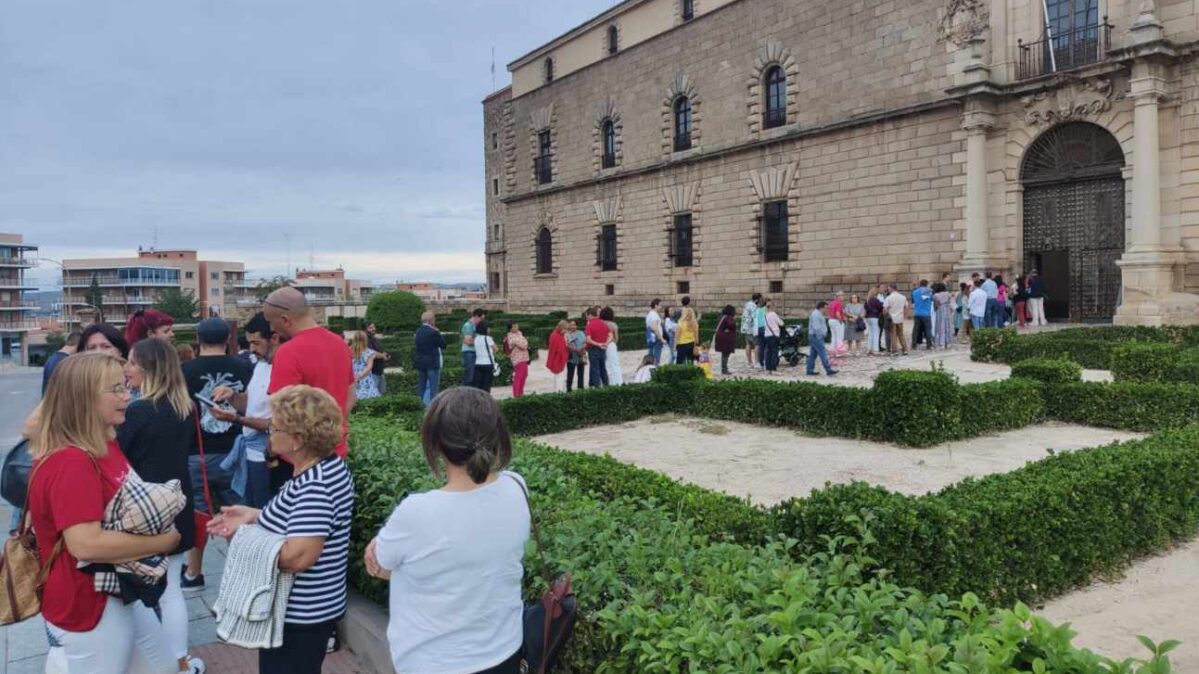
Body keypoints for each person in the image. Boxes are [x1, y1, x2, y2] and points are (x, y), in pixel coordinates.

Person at [29, 353, 181, 674]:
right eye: (114, 389)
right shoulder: (71, 461)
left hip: (115, 588)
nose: (127, 395)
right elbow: (86, 544)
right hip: (87, 602)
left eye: (125, 385)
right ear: (82, 398)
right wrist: (162, 542)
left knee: (162, 666)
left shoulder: (102, 443)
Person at [363, 387, 529, 674]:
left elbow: (380, 566)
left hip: (436, 662)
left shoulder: (417, 512)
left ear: (436, 443)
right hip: (505, 651)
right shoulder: (516, 486)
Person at [207, 385, 355, 674]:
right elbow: (301, 522)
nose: (269, 431)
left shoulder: (315, 485)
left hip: (300, 615)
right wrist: (254, 516)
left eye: (275, 427)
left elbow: (298, 556)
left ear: (298, 439)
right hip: (307, 611)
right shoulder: (323, 468)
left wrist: (244, 538)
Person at [118, 338, 206, 674]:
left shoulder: (138, 411)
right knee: (171, 591)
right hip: (177, 502)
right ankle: (180, 661)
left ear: (148, 368)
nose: (126, 369)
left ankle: (150, 663)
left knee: (139, 593)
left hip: (140, 508)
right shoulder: (184, 406)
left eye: (131, 363)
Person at [181, 317, 251, 591]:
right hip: (236, 451)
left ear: (198, 339)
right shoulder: (245, 367)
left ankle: (193, 574)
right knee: (238, 512)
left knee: (198, 512)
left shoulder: (184, 370)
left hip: (195, 453)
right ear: (228, 340)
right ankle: (242, 574)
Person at [262, 288, 356, 458]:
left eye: (270, 322)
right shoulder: (339, 343)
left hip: (300, 457)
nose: (271, 328)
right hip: (336, 450)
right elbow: (351, 396)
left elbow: (282, 413)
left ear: (285, 319)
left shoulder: (288, 352)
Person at [209, 312, 280, 509]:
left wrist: (237, 420)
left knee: (263, 513)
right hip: (251, 453)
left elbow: (276, 424)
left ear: (273, 338)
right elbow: (249, 404)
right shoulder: (260, 366)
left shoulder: (281, 367)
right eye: (250, 343)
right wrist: (231, 395)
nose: (252, 349)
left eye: (256, 343)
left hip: (268, 454)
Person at [413, 312, 446, 406]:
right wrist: (438, 332)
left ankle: (419, 406)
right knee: (433, 388)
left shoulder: (418, 331)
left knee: (422, 386)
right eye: (434, 319)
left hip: (421, 362)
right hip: (432, 362)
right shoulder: (433, 332)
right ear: (430, 320)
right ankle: (431, 408)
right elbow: (443, 345)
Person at [806, 301, 837, 376]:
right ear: (821, 307)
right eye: (826, 308)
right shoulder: (816, 315)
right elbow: (816, 327)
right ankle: (828, 369)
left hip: (814, 336)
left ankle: (809, 370)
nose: (827, 310)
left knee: (813, 355)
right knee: (823, 353)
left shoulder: (818, 314)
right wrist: (822, 334)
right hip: (816, 336)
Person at [350, 332, 381, 401]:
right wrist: (360, 376)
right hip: (365, 378)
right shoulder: (368, 352)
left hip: (352, 377)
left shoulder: (349, 350)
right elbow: (369, 367)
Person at [584, 307, 611, 388]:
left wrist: (598, 344)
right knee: (603, 369)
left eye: (587, 316)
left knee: (595, 370)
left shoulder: (589, 325)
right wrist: (606, 343)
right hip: (603, 349)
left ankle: (597, 389)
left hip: (593, 349)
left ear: (591, 315)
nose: (586, 318)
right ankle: (606, 386)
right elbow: (610, 335)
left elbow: (588, 340)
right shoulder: (603, 323)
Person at [460, 309, 486, 386]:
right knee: (469, 376)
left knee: (474, 376)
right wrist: (480, 341)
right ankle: (463, 393)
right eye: (481, 318)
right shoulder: (468, 326)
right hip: (469, 352)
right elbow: (468, 342)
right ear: (476, 316)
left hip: (473, 352)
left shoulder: (474, 326)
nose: (482, 321)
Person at [504, 321, 531, 397]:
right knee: (518, 376)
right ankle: (516, 395)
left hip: (524, 357)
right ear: (510, 329)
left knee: (524, 375)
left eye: (517, 326)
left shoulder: (519, 333)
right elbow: (524, 345)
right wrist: (524, 342)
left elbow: (525, 343)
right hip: (517, 359)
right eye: (514, 326)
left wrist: (524, 342)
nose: (517, 328)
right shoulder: (510, 336)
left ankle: (521, 393)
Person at [472, 321, 499, 392]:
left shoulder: (476, 338)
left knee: (479, 385)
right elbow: (496, 349)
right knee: (486, 386)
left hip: (478, 363)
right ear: (485, 329)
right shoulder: (488, 338)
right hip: (488, 363)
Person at [364, 322, 390, 394]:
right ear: (365, 329)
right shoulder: (366, 339)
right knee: (373, 394)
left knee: (382, 392)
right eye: (370, 327)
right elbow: (371, 353)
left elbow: (380, 351)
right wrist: (382, 355)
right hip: (373, 372)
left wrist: (385, 354)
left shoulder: (375, 339)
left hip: (379, 371)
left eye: (374, 327)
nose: (373, 329)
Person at [883, 284, 909, 355]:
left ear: (891, 288)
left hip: (892, 318)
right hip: (900, 318)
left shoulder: (889, 298)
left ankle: (895, 350)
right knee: (901, 334)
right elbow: (906, 307)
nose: (888, 290)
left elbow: (885, 309)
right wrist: (905, 316)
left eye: (888, 288)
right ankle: (905, 349)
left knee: (893, 335)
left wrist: (885, 313)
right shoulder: (903, 297)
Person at [600, 307, 622, 386]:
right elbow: (616, 338)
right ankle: (617, 382)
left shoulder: (600, 323)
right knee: (614, 364)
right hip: (611, 345)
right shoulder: (613, 324)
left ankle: (604, 382)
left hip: (601, 344)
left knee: (603, 364)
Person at [546, 320, 570, 393]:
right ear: (561, 327)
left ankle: (558, 391)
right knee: (559, 377)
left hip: (559, 358)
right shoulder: (555, 335)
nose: (566, 331)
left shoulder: (559, 335)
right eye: (565, 329)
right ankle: (559, 393)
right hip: (557, 359)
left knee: (558, 377)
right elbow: (557, 349)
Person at [713, 305, 738, 375]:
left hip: (721, 337)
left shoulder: (722, 317)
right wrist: (735, 322)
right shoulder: (728, 318)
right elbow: (731, 325)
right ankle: (724, 369)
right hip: (726, 338)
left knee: (724, 354)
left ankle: (724, 368)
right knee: (726, 354)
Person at [911, 280, 933, 351]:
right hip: (926, 313)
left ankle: (913, 344)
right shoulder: (929, 291)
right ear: (926, 284)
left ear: (920, 284)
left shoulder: (915, 292)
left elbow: (913, 301)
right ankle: (929, 345)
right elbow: (932, 299)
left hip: (917, 313)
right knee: (928, 330)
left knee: (916, 330)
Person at [763, 299, 784, 374]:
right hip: (774, 335)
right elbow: (781, 323)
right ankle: (773, 368)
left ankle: (767, 368)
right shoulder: (773, 314)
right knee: (774, 352)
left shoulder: (765, 315)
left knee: (768, 352)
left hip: (767, 335)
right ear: (772, 306)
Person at [566, 320, 586, 392]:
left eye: (574, 325)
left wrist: (582, 349)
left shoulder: (581, 333)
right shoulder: (567, 334)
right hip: (571, 356)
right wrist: (575, 350)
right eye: (571, 325)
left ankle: (580, 388)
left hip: (581, 355)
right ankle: (569, 389)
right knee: (570, 374)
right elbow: (567, 345)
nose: (573, 326)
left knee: (581, 373)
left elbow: (585, 342)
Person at [741, 293, 760, 369]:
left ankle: (749, 362)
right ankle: (756, 362)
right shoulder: (753, 306)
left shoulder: (747, 304)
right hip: (752, 328)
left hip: (745, 327)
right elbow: (755, 317)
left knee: (748, 344)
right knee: (756, 344)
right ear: (757, 299)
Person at [933, 283, 954, 349]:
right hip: (947, 310)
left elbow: (935, 305)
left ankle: (941, 343)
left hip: (940, 311)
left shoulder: (936, 295)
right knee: (947, 326)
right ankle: (948, 342)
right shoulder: (948, 294)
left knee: (940, 326)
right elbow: (950, 301)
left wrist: (935, 308)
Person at [645, 299, 665, 366]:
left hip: (651, 337)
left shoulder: (650, 314)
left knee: (650, 356)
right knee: (656, 357)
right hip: (656, 338)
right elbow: (655, 328)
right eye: (660, 305)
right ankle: (656, 372)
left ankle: (649, 371)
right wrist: (661, 338)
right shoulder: (654, 315)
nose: (661, 307)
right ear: (656, 305)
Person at [864, 290, 883, 355]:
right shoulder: (876, 300)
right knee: (875, 333)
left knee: (870, 333)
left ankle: (869, 348)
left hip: (868, 318)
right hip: (874, 317)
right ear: (875, 294)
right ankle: (875, 349)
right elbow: (881, 308)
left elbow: (865, 308)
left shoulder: (867, 300)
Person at [754, 299, 768, 369]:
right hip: (764, 328)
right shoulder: (766, 309)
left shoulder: (756, 310)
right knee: (766, 346)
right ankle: (766, 362)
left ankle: (760, 362)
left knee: (760, 346)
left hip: (757, 329)